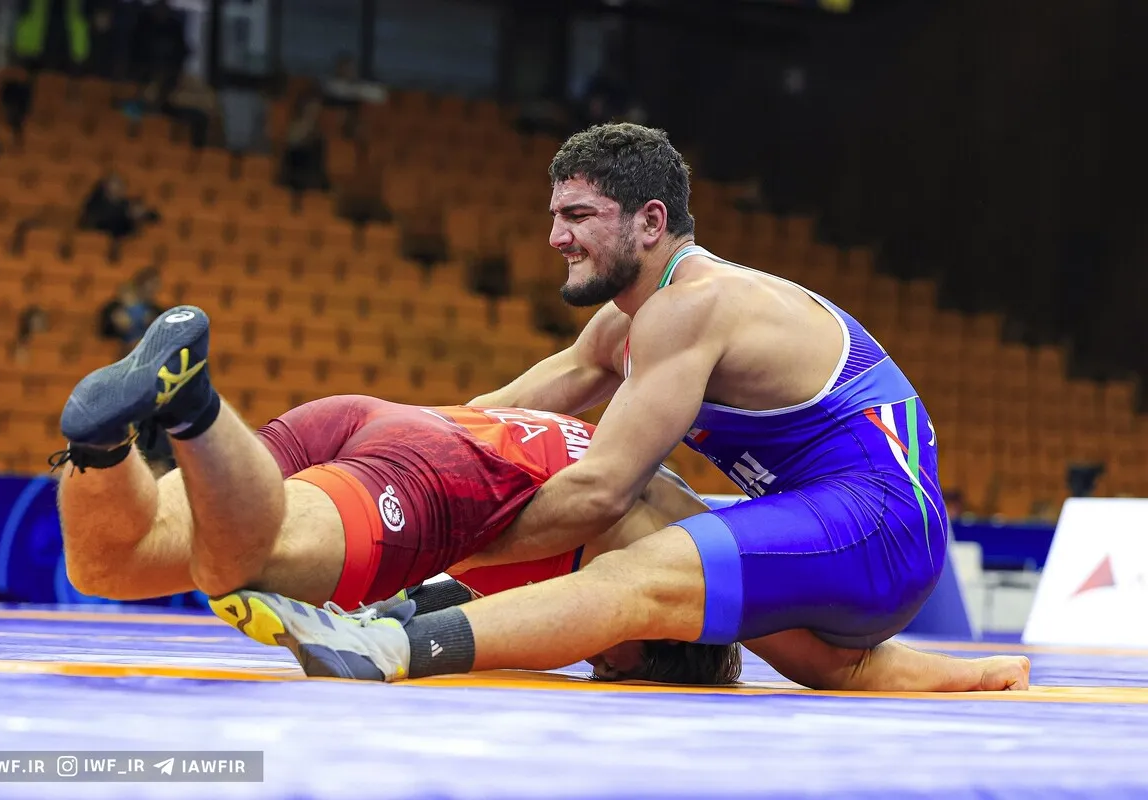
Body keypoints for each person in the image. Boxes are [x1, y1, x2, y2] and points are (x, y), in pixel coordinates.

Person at [213, 122, 1031, 692]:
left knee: (629, 553)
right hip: (835, 526)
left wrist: (423, 548)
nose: (556, 239)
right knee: (653, 525)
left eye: (578, 217)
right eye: (554, 217)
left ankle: (390, 643)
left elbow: (596, 492)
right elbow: (483, 423)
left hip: (885, 526)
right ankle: (977, 674)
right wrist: (371, 481)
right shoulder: (625, 324)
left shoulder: (692, 307)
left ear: (650, 223)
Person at [50, 303, 739, 684]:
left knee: (111, 567)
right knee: (238, 566)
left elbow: (445, 597)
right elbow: (557, 600)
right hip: (442, 480)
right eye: (613, 666)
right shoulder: (668, 576)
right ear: (667, 640)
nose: (597, 662)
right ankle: (193, 403)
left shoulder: (657, 486)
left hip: (385, 422)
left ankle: (101, 446)